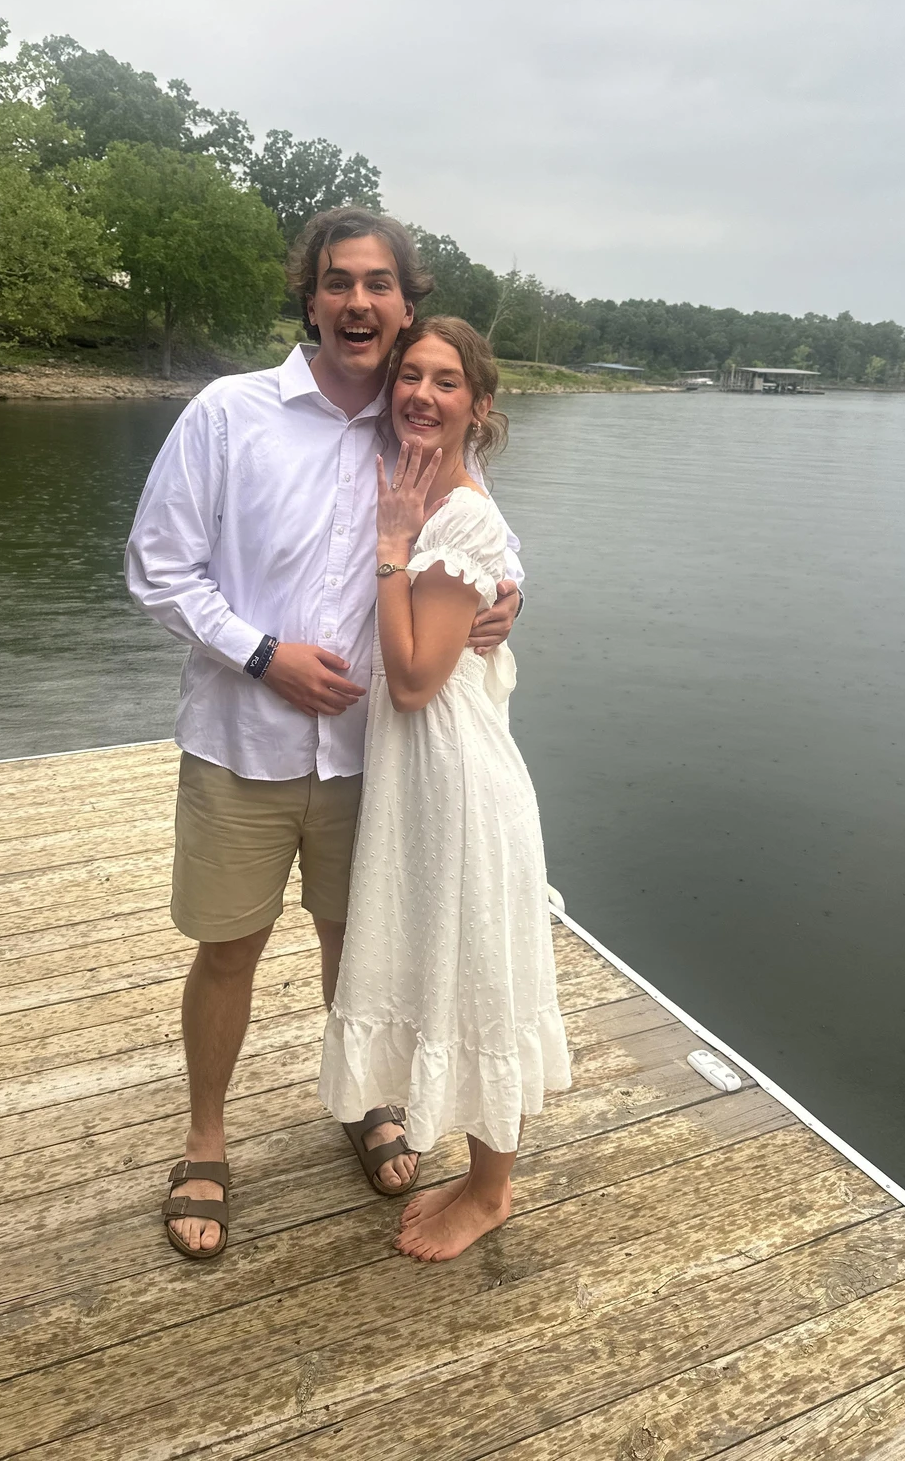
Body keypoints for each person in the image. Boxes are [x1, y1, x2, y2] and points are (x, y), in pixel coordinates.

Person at [125, 210, 525, 1259]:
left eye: (379, 284)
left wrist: (510, 596)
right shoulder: (231, 413)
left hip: (371, 758)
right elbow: (158, 568)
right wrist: (263, 654)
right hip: (242, 741)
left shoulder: (415, 421)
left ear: (405, 303)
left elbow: (487, 536)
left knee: (364, 942)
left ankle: (365, 1099)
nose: (358, 301)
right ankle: (205, 1141)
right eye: (338, 281)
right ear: (310, 298)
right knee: (228, 948)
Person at [319, 317, 572, 1262]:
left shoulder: (455, 511)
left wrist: (391, 551)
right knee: (448, 959)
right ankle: (473, 1170)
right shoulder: (423, 485)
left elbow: (417, 680)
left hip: (456, 770)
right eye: (411, 376)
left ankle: (492, 1189)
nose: (422, 394)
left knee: (478, 966)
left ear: (480, 404)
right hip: (421, 773)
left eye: (446, 382)